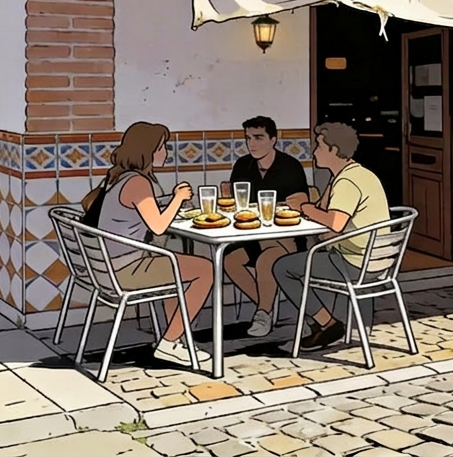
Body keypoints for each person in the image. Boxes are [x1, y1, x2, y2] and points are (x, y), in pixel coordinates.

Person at [83, 122, 212, 367]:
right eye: (162, 147)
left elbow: (93, 204)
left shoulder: (117, 176)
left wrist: (162, 202)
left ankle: (175, 338)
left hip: (104, 267)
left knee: (175, 268)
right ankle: (169, 343)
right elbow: (159, 226)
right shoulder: (138, 183)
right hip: (124, 270)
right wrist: (177, 199)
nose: (165, 152)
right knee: (204, 270)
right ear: (148, 151)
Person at [274, 122, 391, 350]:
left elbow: (335, 223)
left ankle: (328, 325)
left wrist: (305, 207)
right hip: (378, 260)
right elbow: (326, 210)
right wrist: (322, 195)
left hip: (355, 263)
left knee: (283, 267)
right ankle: (321, 323)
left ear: (334, 150)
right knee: (308, 259)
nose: (314, 152)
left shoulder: (347, 181)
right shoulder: (355, 174)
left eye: (319, 146)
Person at [223, 116, 312, 337]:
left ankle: (263, 312)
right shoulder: (243, 165)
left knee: (266, 259)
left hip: (287, 239)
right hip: (254, 237)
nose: (252, 144)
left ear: (273, 139)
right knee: (230, 260)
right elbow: (237, 204)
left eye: (258, 137)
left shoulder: (289, 166)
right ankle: (267, 308)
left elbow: (300, 204)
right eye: (248, 138)